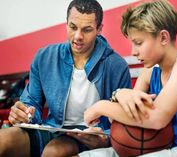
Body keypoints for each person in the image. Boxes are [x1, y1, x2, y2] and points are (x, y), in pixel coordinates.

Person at [80, 0, 177, 157]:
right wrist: (119, 94)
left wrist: (100, 106)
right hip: (157, 148)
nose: (133, 52)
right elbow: (122, 119)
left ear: (163, 37)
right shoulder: (149, 72)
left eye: (138, 43)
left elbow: (157, 118)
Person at [0, 0, 132, 157]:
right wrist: (23, 114)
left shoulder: (116, 65)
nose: (78, 36)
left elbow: (123, 121)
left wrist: (106, 138)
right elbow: (32, 103)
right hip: (50, 128)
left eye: (87, 30)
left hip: (89, 136)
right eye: (73, 27)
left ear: (99, 29)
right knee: (2, 140)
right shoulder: (44, 57)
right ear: (66, 24)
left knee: (54, 152)